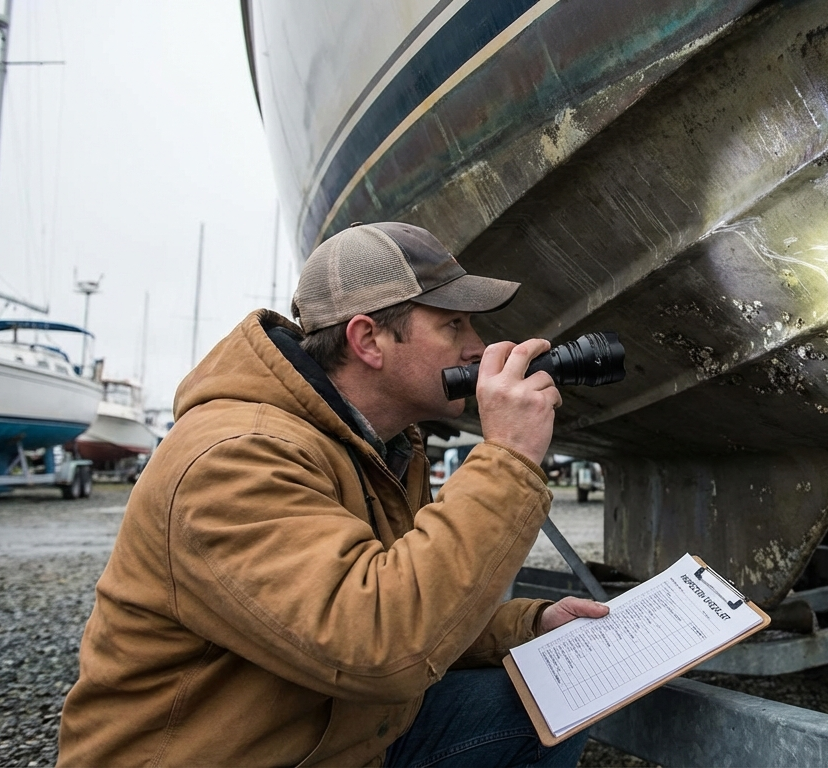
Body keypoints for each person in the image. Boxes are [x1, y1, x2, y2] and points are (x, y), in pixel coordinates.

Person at [57, 222, 608, 767]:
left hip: (319, 733)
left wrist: (528, 626)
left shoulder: (377, 446)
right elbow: (379, 643)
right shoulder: (233, 458)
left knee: (546, 710)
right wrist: (508, 457)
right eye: (454, 325)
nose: (477, 348)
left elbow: (398, 593)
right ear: (367, 340)